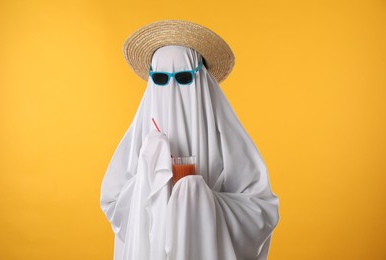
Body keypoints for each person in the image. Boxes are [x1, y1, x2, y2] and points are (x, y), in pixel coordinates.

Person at [100, 20, 279, 260]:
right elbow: (113, 203)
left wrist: (200, 201)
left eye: (183, 78)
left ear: (200, 78)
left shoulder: (224, 134)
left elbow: (261, 210)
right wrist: (148, 178)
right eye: (161, 79)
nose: (171, 89)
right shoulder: (141, 138)